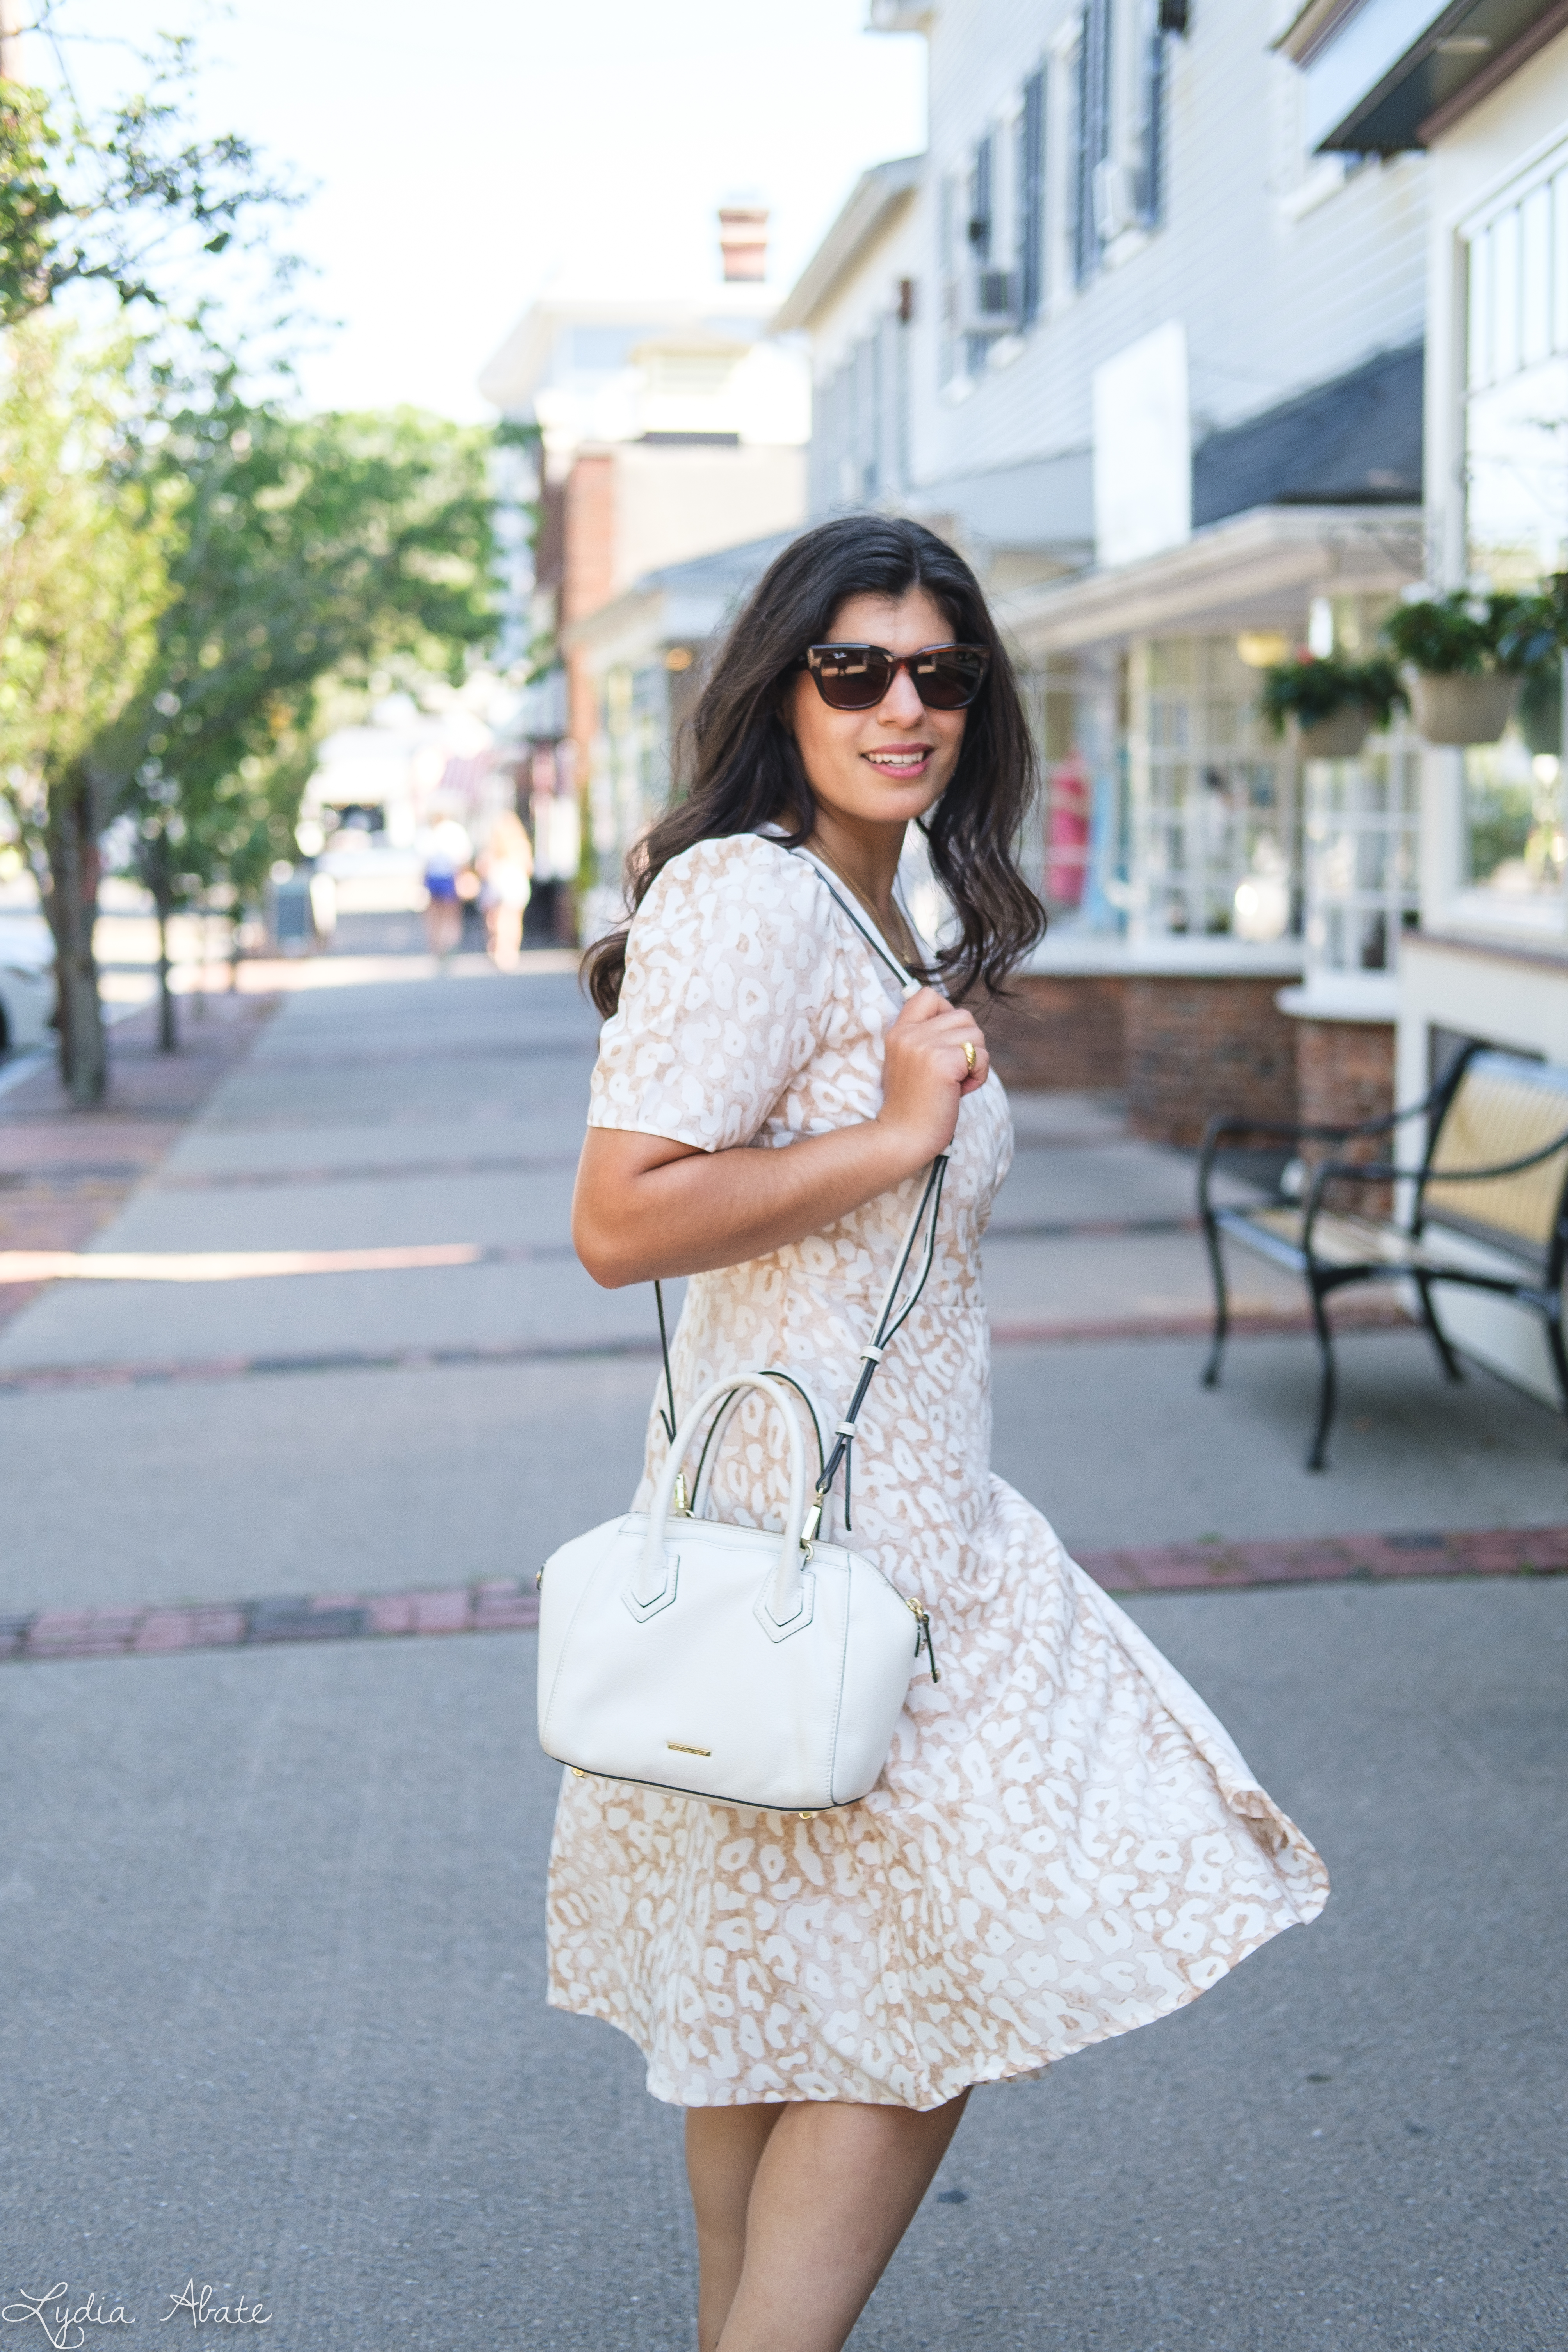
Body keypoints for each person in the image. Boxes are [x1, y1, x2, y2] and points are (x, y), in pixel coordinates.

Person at [559, 516, 1328, 2352]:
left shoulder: (862, 904)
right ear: (780, 690)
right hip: (828, 1549)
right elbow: (618, 1219)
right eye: (855, 670)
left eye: (941, 674)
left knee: (775, 2002)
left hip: (885, 1528)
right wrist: (899, 1132)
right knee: (930, 1976)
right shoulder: (748, 895)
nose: (903, 705)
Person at [477, 807, 533, 970]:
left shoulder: (495, 846)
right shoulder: (521, 844)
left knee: (498, 918)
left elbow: (483, 867)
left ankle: (500, 948)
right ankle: (511, 950)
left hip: (500, 885)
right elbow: (529, 867)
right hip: (518, 886)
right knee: (514, 919)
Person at [420, 815, 472, 959]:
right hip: (449, 877)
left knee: (436, 914)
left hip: (436, 877)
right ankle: (449, 943)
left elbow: (424, 861)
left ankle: (438, 944)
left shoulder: (430, 832)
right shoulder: (456, 831)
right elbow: (464, 858)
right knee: (451, 913)